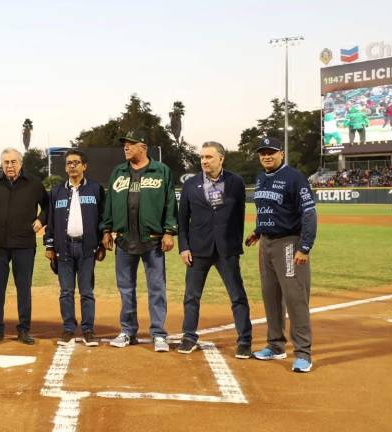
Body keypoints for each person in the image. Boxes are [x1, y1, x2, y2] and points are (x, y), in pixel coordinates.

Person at [245, 137, 317, 373]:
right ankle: (275, 346)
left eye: (271, 152)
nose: (266, 156)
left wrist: (304, 247)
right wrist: (257, 231)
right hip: (266, 244)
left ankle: (303, 353)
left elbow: (308, 213)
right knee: (271, 296)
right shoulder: (262, 178)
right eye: (263, 153)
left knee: (295, 299)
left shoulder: (295, 178)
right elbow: (270, 210)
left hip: (289, 243)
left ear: (282, 154)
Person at [101, 131, 177, 352]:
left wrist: (169, 231)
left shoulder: (161, 171)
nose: (125, 147)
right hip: (124, 240)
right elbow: (109, 204)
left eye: (130, 144)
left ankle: (159, 334)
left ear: (143, 146)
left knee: (156, 288)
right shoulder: (118, 172)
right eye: (124, 144)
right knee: (125, 288)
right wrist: (106, 229)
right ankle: (127, 331)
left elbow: (170, 202)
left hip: (152, 241)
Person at [177, 142, 252, 358]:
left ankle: (244, 340)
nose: (204, 161)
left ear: (221, 159)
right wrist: (184, 247)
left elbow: (239, 214)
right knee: (191, 296)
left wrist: (234, 243)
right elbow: (182, 221)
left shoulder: (235, 182)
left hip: (226, 249)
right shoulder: (190, 185)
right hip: (198, 249)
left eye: (209, 157)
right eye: (202, 157)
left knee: (237, 295)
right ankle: (188, 337)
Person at [0, 147, 48, 345]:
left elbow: (47, 206)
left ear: (20, 163)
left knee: (23, 288)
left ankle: (24, 330)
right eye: (6, 162)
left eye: (13, 162)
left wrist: (41, 219)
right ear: (1, 164)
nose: (9, 166)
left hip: (24, 244)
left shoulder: (34, 184)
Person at [44, 149, 105, 347]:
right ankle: (68, 328)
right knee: (66, 292)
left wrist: (102, 241)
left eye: (76, 162)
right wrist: (49, 245)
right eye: (69, 163)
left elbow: (103, 218)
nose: (72, 166)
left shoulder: (96, 189)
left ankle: (88, 330)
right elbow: (51, 222)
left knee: (87, 292)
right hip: (64, 248)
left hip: (87, 248)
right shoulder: (57, 192)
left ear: (84, 166)